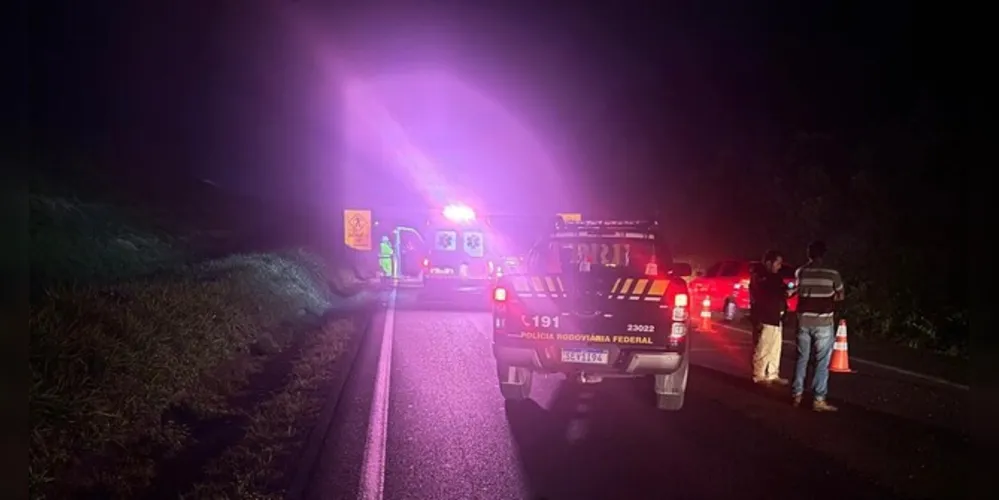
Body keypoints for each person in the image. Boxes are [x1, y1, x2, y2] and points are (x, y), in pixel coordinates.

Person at [790, 240, 845, 411]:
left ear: (809, 254)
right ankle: (818, 399)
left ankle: (797, 395)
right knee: (821, 361)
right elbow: (840, 295)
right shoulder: (832, 273)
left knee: (802, 358)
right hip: (823, 322)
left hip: (803, 321)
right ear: (824, 254)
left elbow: (797, 291)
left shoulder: (801, 271)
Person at [749, 250, 790, 386]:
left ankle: (773, 373)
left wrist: (787, 293)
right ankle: (759, 375)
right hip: (765, 316)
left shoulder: (775, 277)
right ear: (768, 263)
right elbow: (765, 295)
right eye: (777, 263)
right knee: (763, 346)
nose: (779, 266)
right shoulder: (760, 276)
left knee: (775, 346)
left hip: (776, 316)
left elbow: (782, 292)